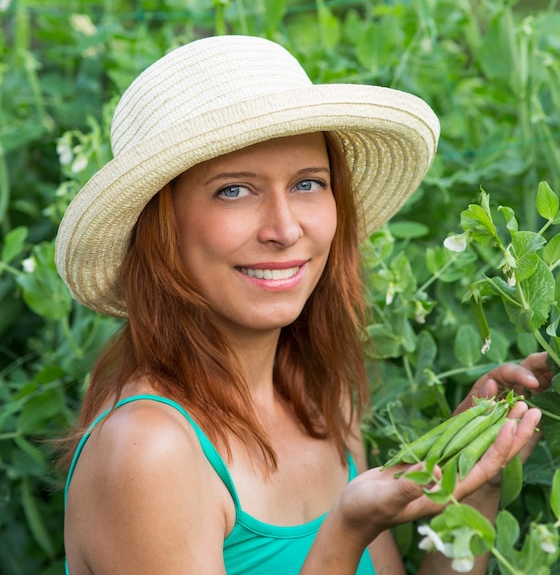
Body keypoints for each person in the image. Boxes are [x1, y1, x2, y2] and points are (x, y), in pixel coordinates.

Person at [55, 35, 551, 575]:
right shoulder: (149, 450)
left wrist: (474, 480)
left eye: (309, 183)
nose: (286, 229)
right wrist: (346, 530)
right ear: (160, 229)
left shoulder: (321, 402)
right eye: (234, 191)